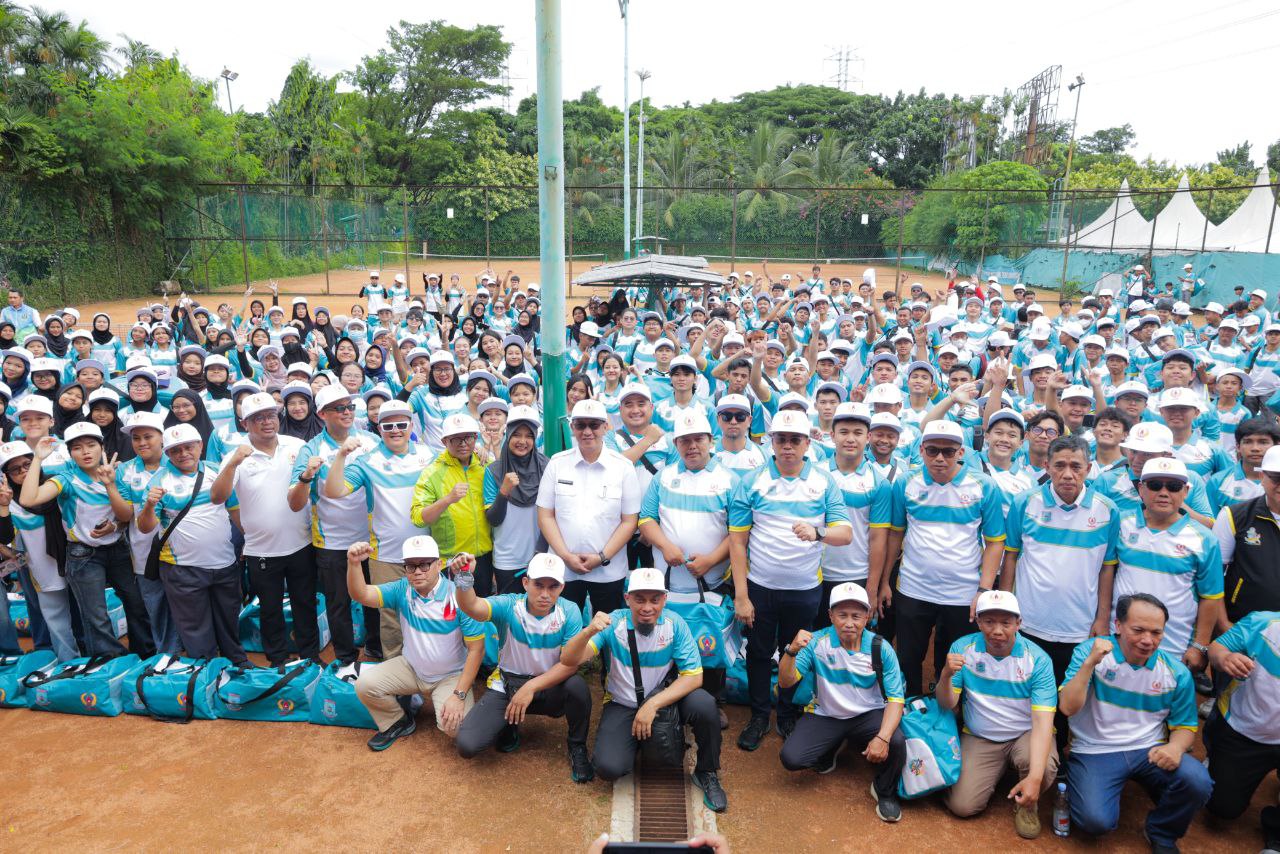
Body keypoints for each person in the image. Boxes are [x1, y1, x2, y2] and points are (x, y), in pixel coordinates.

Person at [729, 408, 852, 750]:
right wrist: (741, 595)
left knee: (793, 651)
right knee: (757, 652)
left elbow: (845, 533)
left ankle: (786, 713)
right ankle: (758, 716)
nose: (787, 446)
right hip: (760, 587)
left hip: (804, 589)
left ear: (807, 443)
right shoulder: (752, 481)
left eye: (794, 440)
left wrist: (818, 532)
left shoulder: (823, 482)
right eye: (781, 439)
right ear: (771, 442)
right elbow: (737, 541)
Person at [559, 566, 728, 813]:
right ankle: (639, 741)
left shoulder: (675, 624)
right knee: (608, 768)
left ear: (665, 599)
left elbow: (694, 677)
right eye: (639, 599)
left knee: (704, 704)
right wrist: (589, 630)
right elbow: (568, 659)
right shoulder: (613, 623)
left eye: (654, 599)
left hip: (664, 701)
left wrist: (653, 704)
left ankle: (707, 771)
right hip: (622, 703)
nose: (647, 607)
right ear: (627, 598)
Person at [1059, 593, 1211, 854]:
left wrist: (1175, 748)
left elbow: (1185, 726)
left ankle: (1162, 832)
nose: (1147, 640)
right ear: (1118, 625)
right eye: (1138, 630)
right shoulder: (1090, 652)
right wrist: (1089, 664)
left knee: (1198, 782)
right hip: (1095, 749)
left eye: (1156, 632)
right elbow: (1067, 707)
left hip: (1148, 750)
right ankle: (1082, 782)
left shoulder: (1176, 672)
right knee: (1094, 821)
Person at [1002, 434, 1119, 753]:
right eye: (1060, 465)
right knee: (1025, 690)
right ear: (1046, 466)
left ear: (1089, 469)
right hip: (1029, 622)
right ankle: (1023, 756)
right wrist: (1006, 610)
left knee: (1066, 699)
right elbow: (1011, 555)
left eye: (1076, 466)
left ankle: (1059, 764)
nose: (1068, 474)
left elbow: (1107, 568)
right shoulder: (1025, 503)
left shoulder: (1107, 510)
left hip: (1079, 626)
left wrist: (1102, 618)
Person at [886, 420, 1006, 696]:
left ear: (961, 452)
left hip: (962, 593)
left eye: (948, 451)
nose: (940, 458)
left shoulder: (984, 486)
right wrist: (884, 582)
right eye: (932, 450)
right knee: (908, 657)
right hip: (914, 588)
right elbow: (895, 534)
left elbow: (995, 542)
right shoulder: (905, 483)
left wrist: (983, 590)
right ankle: (910, 706)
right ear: (921, 450)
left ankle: (945, 709)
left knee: (953, 661)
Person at [452, 552, 593, 782]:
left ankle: (577, 746)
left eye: (553, 586)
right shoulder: (510, 605)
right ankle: (510, 724)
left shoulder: (569, 611)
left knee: (577, 687)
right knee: (467, 744)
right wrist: (464, 576)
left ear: (562, 587)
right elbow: (471, 606)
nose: (545, 594)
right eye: (538, 585)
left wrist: (531, 687)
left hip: (550, 686)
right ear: (526, 583)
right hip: (508, 685)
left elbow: (569, 665)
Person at [20, 422, 154, 659]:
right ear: (70, 453)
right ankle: (111, 663)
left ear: (102, 447)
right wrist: (38, 459)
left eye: (91, 445)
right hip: (83, 555)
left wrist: (110, 487)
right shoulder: (66, 479)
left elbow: (125, 516)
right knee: (96, 616)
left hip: (119, 550)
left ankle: (145, 658)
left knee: (136, 605)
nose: (85, 452)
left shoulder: (116, 475)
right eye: (77, 448)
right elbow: (29, 499)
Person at [777, 581, 906, 824]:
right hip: (827, 714)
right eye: (842, 615)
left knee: (896, 742)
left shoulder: (881, 648)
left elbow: (896, 700)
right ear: (830, 616)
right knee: (791, 758)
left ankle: (884, 790)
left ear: (867, 616)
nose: (849, 623)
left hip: (868, 714)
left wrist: (882, 737)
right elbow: (785, 683)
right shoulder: (816, 642)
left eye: (856, 616)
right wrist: (791, 651)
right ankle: (833, 746)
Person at [937, 591, 1058, 839]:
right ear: (978, 622)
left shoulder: (1038, 660)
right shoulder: (963, 648)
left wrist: (1035, 778)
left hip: (1025, 734)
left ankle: (1027, 805)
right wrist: (946, 675)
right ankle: (996, 773)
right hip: (980, 736)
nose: (998, 631)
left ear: (1018, 623)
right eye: (989, 622)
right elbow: (947, 703)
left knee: (1043, 767)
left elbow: (1042, 723)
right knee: (962, 806)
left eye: (1006, 622)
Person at [348, 536, 484, 751]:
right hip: (411, 668)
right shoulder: (402, 589)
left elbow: (477, 650)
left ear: (439, 564)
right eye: (411, 566)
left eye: (424, 564)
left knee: (456, 728)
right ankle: (398, 721)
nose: (417, 571)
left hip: (450, 676)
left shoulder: (459, 596)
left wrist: (459, 695)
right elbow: (361, 594)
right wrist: (354, 563)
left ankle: (455, 701)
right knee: (365, 685)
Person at [211, 391, 317, 666]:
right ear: (244, 423)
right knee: (270, 608)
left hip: (301, 543)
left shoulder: (297, 445)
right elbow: (218, 497)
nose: (267, 422)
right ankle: (277, 660)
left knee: (305, 603)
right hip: (261, 550)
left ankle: (310, 656)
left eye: (270, 415)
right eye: (257, 418)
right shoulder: (236, 455)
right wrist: (233, 463)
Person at [324, 399, 435, 658]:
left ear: (411, 426)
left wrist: (484, 450)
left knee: (429, 614)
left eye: (401, 424)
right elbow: (334, 491)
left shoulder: (430, 455)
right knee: (391, 621)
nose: (395, 430)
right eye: (388, 426)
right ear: (379, 428)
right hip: (385, 556)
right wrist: (341, 456)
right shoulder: (367, 461)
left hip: (427, 554)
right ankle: (398, 675)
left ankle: (428, 669)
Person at [136, 424, 249, 665]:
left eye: (189, 447)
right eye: (176, 450)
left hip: (225, 563)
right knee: (195, 628)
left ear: (200, 446)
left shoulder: (217, 471)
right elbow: (145, 527)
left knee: (229, 619)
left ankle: (238, 663)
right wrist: (149, 505)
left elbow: (234, 509)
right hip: (182, 570)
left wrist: (249, 541)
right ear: (167, 453)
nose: (184, 453)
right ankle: (205, 671)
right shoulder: (159, 481)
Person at [288, 384, 381, 666]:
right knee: (338, 603)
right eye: (339, 408)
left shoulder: (371, 441)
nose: (347, 412)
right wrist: (307, 476)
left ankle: (376, 650)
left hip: (372, 538)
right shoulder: (311, 449)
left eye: (350, 406)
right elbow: (294, 503)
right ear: (322, 414)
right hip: (332, 541)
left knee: (375, 600)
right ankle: (345, 659)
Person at [1113, 457, 1223, 666]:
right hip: (1120, 642)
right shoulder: (1120, 524)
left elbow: (1211, 597)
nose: (1164, 493)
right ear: (1141, 489)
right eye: (1155, 485)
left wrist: (1200, 645)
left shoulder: (1205, 539)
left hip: (1175, 649)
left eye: (1173, 486)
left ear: (1186, 491)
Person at [536, 399, 640, 617]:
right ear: (572, 427)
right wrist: (566, 556)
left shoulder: (623, 467)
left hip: (608, 570)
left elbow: (629, 521)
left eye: (594, 425)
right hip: (563, 569)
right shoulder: (557, 463)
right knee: (562, 627)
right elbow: (545, 515)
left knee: (607, 630)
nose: (587, 431)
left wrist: (601, 557)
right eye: (580, 425)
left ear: (606, 427)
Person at [1204, 609, 1280, 852]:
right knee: (1221, 807)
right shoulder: (1263, 622)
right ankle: (1214, 758)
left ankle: (1277, 835)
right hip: (1243, 730)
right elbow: (1216, 648)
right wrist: (1225, 658)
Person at [410, 413, 494, 593]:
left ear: (476, 438)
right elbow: (418, 518)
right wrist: (447, 500)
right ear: (444, 441)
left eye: (468, 437)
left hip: (485, 559)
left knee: (483, 608)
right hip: (450, 562)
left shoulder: (486, 464)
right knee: (453, 609)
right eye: (455, 439)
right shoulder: (431, 473)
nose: (463, 444)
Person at [482, 405, 547, 595]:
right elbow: (493, 519)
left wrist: (540, 552)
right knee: (510, 611)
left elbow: (553, 515)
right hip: (507, 560)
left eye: (529, 436)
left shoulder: (547, 467)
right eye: (517, 435)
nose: (522, 441)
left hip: (540, 556)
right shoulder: (494, 471)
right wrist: (504, 492)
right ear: (508, 435)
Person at [1213, 444, 1280, 624]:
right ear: (1262, 477)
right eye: (1276, 477)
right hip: (1243, 626)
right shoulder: (1233, 516)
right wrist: (1224, 626)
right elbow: (1214, 576)